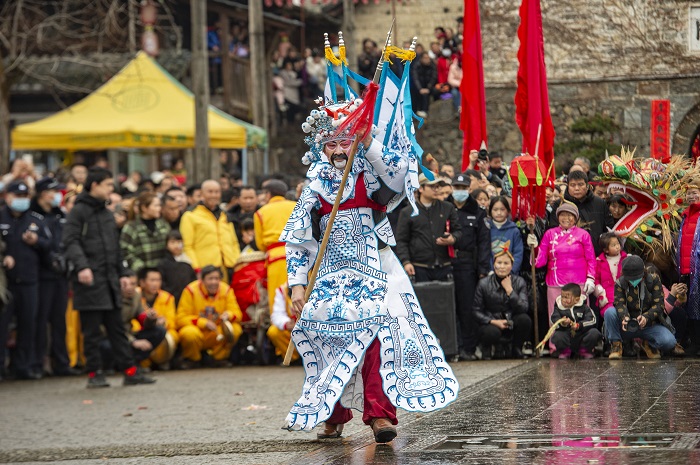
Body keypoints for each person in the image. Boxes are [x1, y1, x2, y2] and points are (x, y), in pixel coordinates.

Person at [281, 99, 458, 442]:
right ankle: (332, 414)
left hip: (375, 270)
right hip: (331, 276)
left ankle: (380, 415)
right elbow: (298, 242)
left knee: (380, 339)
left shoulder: (369, 174)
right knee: (329, 339)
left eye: (344, 141)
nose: (336, 149)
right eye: (330, 143)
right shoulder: (314, 185)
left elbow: (400, 172)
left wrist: (368, 141)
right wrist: (297, 286)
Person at [62, 168, 154, 387]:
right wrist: (82, 267)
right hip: (89, 280)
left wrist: (123, 273)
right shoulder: (79, 212)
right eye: (107, 185)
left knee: (117, 329)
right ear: (94, 186)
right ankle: (94, 374)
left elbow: (115, 246)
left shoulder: (105, 213)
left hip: (111, 280)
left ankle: (130, 371)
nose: (111, 189)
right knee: (92, 331)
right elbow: (70, 242)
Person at [0, 181, 50, 379]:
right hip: (6, 283)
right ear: (8, 197)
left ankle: (22, 366)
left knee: (28, 324)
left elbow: (50, 246)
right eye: (17, 196)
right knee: (2, 326)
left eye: (25, 197)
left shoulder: (35, 219)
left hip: (30, 280)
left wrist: (37, 242)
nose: (21, 201)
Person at [530, 202, 597, 346]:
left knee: (581, 318)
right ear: (558, 217)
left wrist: (591, 278)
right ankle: (558, 347)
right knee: (555, 318)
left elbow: (591, 258)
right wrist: (534, 248)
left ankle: (582, 347)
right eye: (563, 215)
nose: (566, 218)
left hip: (578, 283)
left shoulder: (583, 234)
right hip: (555, 283)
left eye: (570, 215)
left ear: (576, 218)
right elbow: (540, 261)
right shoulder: (549, 234)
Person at [31, 177, 77, 377]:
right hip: (41, 275)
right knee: (40, 321)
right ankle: (38, 363)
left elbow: (65, 242)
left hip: (60, 275)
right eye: (53, 191)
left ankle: (62, 363)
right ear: (43, 194)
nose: (57, 195)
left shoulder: (60, 216)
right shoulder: (32, 217)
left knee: (60, 321)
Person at [450, 174, 491, 361]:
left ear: (468, 189)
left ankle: (468, 347)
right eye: (456, 186)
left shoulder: (478, 211)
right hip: (447, 263)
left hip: (467, 265)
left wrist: (482, 269)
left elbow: (484, 242)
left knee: (467, 308)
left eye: (463, 187)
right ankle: (452, 346)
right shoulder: (444, 207)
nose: (459, 191)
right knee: (448, 306)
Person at [604, 255, 676, 359]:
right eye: (631, 279)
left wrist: (646, 317)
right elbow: (619, 303)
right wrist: (625, 317)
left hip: (649, 324)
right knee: (609, 312)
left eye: (638, 278)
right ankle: (616, 345)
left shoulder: (654, 280)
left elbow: (659, 305)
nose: (634, 281)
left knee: (669, 342)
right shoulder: (620, 283)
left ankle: (649, 344)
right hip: (627, 326)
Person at [396, 174, 461, 283]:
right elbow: (402, 240)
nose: (437, 190)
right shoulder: (407, 212)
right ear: (421, 188)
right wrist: (406, 262)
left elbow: (458, 230)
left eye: (438, 186)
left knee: (445, 298)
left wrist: (452, 238)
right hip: (419, 267)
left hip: (444, 265)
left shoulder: (447, 207)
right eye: (432, 187)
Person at [176, 265, 242, 367]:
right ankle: (193, 359)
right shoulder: (190, 291)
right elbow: (181, 318)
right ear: (202, 280)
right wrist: (203, 323)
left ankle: (218, 358)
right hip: (198, 331)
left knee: (235, 329)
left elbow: (237, 313)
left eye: (217, 279)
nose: (214, 282)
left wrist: (228, 315)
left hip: (217, 331)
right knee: (188, 333)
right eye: (210, 279)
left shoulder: (226, 290)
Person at [472, 245, 531, 359]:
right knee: (491, 332)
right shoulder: (483, 283)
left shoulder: (519, 282)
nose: (502, 267)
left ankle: (516, 348)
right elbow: (476, 311)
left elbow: (523, 307)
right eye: (499, 263)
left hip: (511, 320)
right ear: (493, 264)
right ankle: (487, 349)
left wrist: (510, 291)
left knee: (525, 320)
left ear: (511, 265)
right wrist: (493, 321)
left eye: (506, 263)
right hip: (492, 321)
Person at [101, 270, 164, 376]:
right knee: (106, 346)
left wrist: (151, 319)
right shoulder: (108, 298)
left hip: (128, 335)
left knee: (159, 331)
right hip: (111, 336)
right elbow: (106, 329)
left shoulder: (136, 296)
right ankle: (111, 366)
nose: (130, 287)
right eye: (126, 284)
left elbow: (142, 320)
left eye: (133, 284)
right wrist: (132, 341)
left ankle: (132, 364)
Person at [180, 180, 240, 278]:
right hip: (204, 269)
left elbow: (234, 242)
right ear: (202, 194)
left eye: (217, 192)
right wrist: (196, 268)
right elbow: (187, 246)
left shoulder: (224, 215)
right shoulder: (190, 215)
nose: (214, 195)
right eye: (210, 192)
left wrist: (236, 260)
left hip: (228, 268)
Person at [253, 179, 296, 311]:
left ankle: (280, 327)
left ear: (268, 194)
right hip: (299, 254)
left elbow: (260, 244)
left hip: (276, 258)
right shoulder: (296, 205)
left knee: (277, 295)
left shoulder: (260, 212)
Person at [548, 170, 613, 255]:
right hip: (568, 256)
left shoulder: (600, 203)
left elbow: (609, 228)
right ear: (568, 186)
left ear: (587, 185)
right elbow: (553, 230)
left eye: (580, 184)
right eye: (573, 185)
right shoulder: (559, 204)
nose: (577, 188)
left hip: (597, 255)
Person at [119, 191, 170, 274]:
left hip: (163, 272)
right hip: (141, 273)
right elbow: (126, 252)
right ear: (144, 208)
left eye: (159, 205)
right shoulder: (131, 227)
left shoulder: (163, 224)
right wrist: (143, 270)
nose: (159, 208)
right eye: (156, 205)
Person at [137, 268, 178, 368]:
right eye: (152, 280)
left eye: (158, 280)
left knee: (173, 334)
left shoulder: (167, 297)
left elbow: (172, 321)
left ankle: (163, 360)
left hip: (160, 329)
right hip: (142, 330)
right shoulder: (135, 295)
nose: (155, 284)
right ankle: (143, 363)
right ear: (142, 282)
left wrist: (164, 322)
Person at [677, 183, 700, 356]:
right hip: (686, 269)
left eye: (694, 193)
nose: (691, 196)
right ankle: (694, 342)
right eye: (688, 193)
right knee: (690, 307)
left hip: (698, 268)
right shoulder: (684, 216)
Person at [550, 283, 602, 359]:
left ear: (576, 299)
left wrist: (579, 325)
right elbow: (553, 320)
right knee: (558, 335)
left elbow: (592, 320)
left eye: (566, 297)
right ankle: (564, 351)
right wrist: (563, 323)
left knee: (594, 332)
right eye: (562, 297)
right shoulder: (559, 308)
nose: (563, 300)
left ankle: (585, 351)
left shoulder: (584, 307)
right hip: (567, 336)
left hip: (581, 336)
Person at [157, 230, 196, 306]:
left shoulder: (187, 262)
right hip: (169, 300)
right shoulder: (163, 263)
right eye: (172, 242)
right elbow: (162, 283)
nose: (176, 245)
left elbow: (193, 281)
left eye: (179, 242)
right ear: (166, 245)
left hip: (186, 300)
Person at [487, 196, 524, 275]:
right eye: (495, 209)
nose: (499, 213)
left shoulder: (514, 230)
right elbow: (484, 252)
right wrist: (491, 270)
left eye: (502, 209)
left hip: (510, 274)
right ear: (490, 211)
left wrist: (511, 271)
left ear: (508, 211)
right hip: (490, 273)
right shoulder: (486, 228)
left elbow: (518, 253)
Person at [593, 232, 627, 317]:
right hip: (608, 298)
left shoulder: (626, 258)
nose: (617, 246)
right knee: (611, 314)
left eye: (618, 243)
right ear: (606, 250)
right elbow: (596, 279)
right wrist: (600, 292)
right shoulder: (599, 262)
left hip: (625, 295)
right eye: (613, 245)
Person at [266, 283, 298, 363]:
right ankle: (294, 359)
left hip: (311, 327)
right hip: (291, 327)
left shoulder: (315, 286)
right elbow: (277, 314)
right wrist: (287, 323)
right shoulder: (282, 290)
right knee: (273, 331)